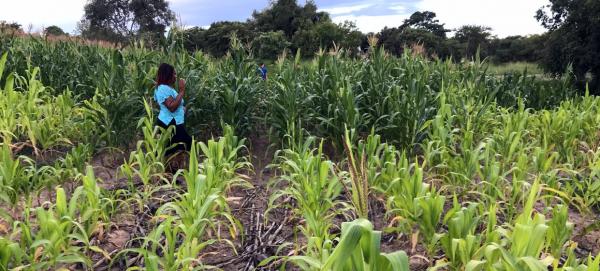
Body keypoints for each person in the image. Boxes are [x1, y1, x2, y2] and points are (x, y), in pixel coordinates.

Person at [153, 63, 192, 157]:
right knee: (182, 146)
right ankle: (173, 170)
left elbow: (165, 105)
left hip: (175, 122)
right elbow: (171, 107)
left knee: (176, 149)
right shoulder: (163, 88)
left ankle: (174, 169)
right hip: (170, 124)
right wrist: (182, 91)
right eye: (174, 74)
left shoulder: (168, 88)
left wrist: (181, 109)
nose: (176, 76)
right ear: (167, 75)